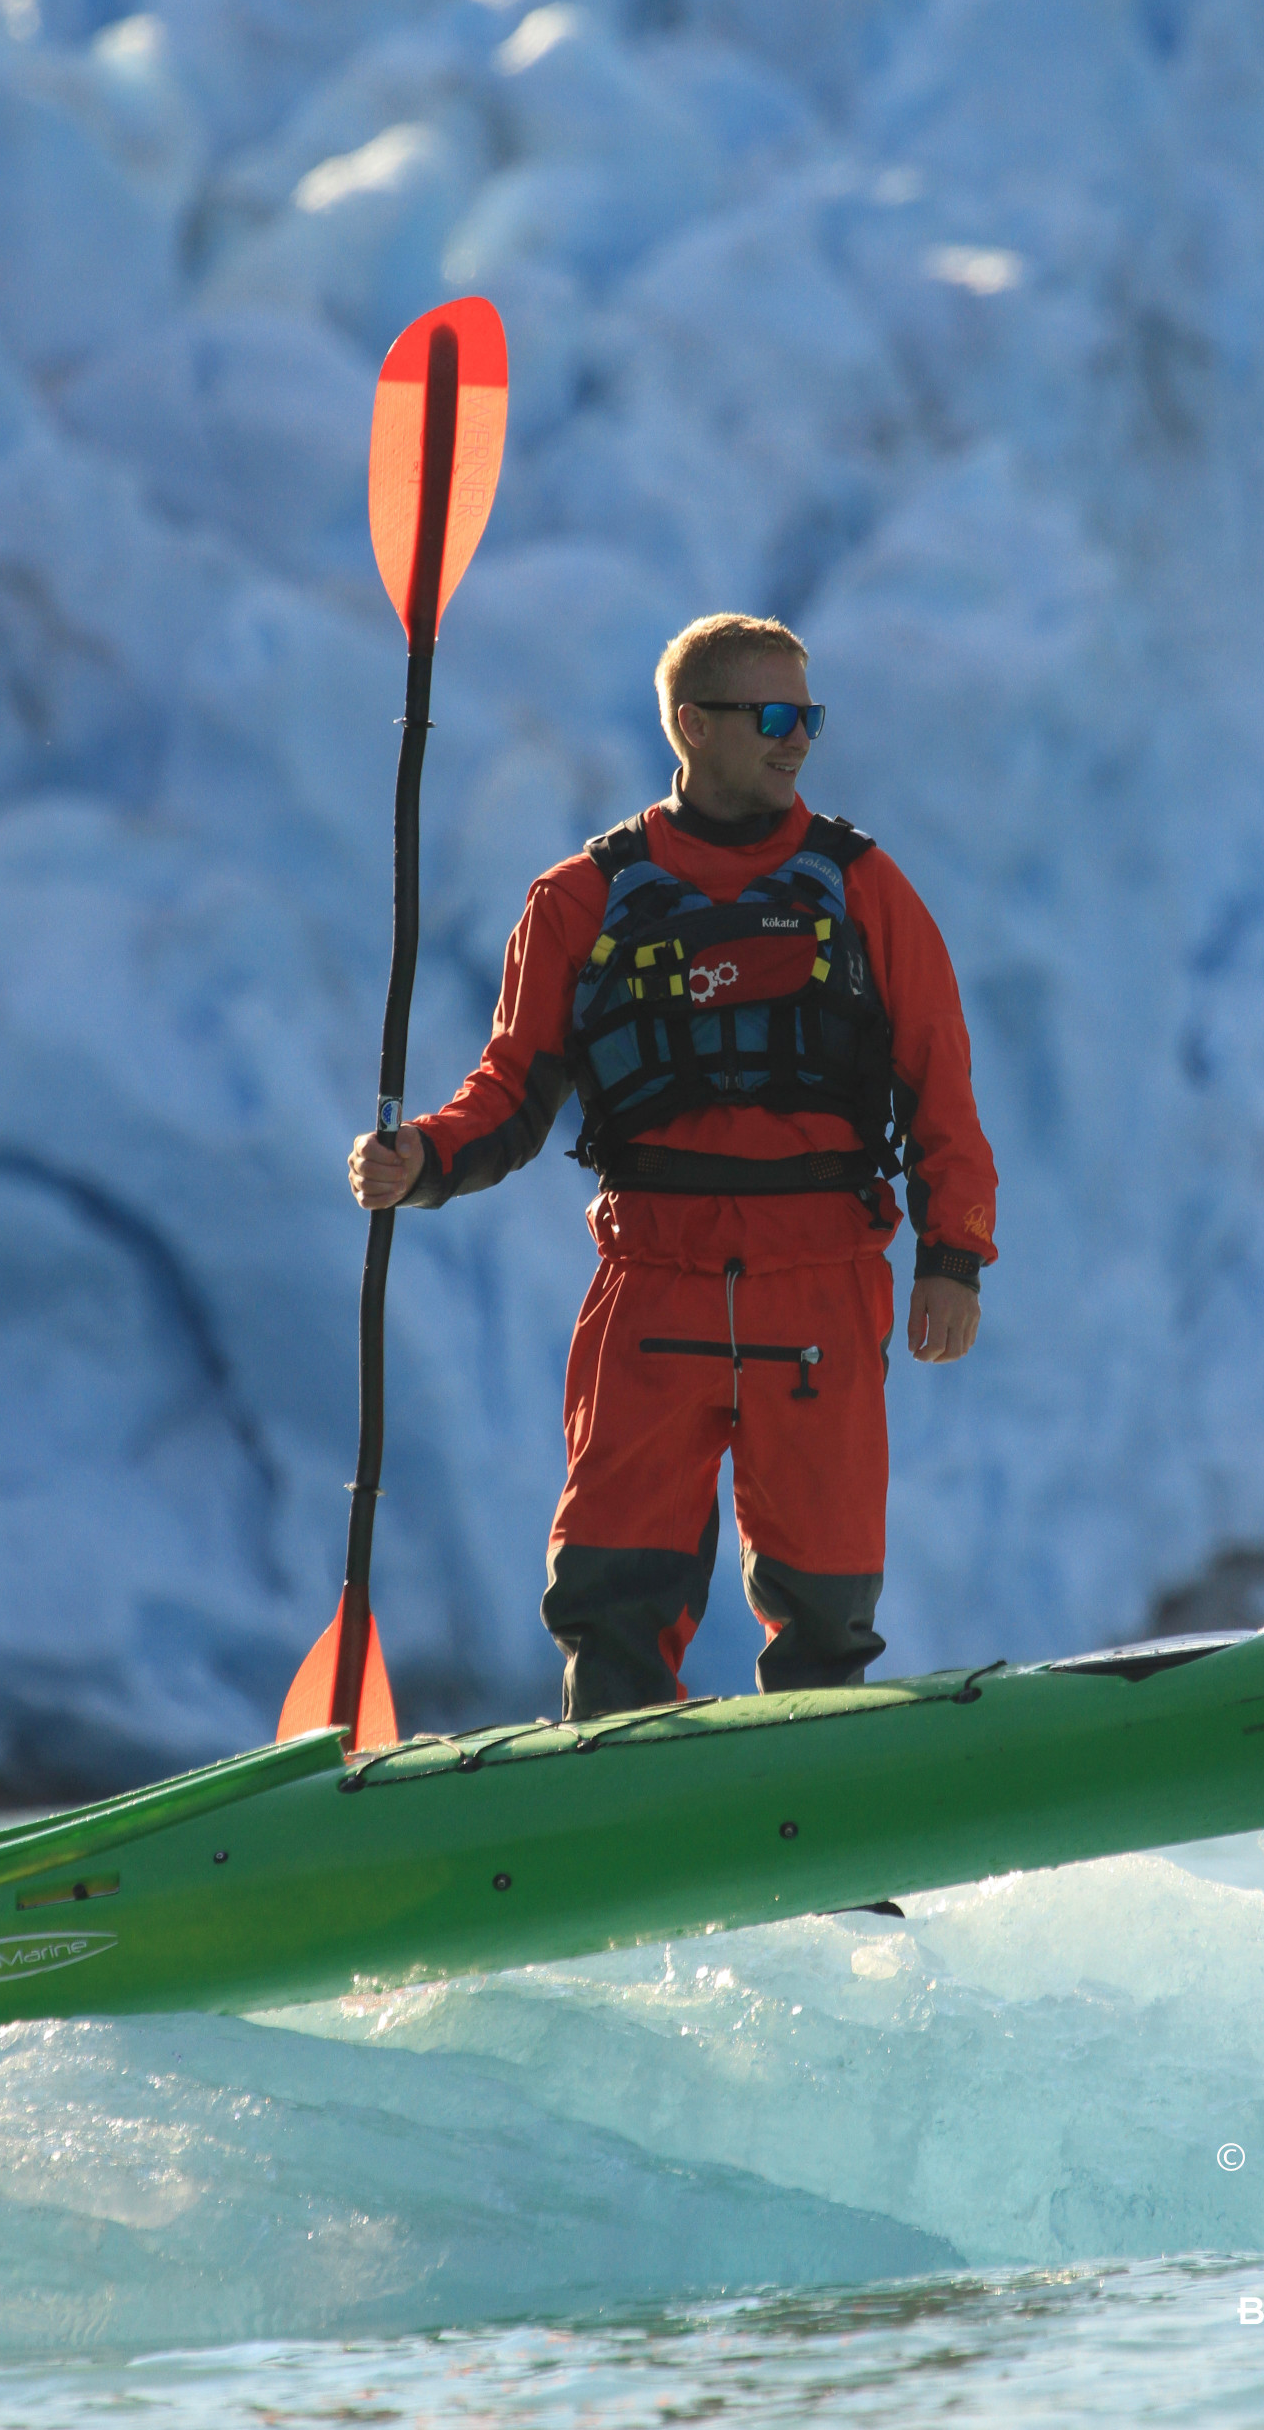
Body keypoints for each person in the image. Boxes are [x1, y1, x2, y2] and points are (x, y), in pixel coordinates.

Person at [348, 613, 997, 1718]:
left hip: (820, 1286)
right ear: (693, 724)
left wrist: (955, 1257)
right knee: (612, 1590)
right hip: (652, 1289)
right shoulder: (578, 900)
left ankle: (817, 1784)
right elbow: (510, 1090)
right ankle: (616, 1781)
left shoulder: (866, 889)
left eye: (811, 716)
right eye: (774, 716)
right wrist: (427, 1156)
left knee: (828, 1601)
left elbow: (941, 1083)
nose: (798, 740)